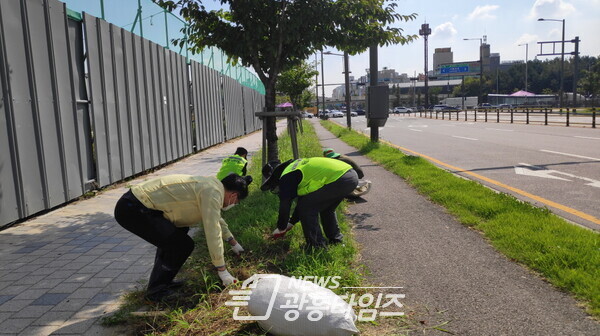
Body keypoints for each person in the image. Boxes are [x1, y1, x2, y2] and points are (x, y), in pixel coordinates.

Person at [113, 173, 252, 301]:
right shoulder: (213, 192)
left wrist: (233, 242)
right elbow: (213, 230)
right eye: (236, 202)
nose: (234, 204)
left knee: (176, 236)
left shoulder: (213, 186)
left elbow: (215, 218)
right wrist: (222, 270)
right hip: (133, 208)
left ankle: (163, 282)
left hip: (136, 205)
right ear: (234, 195)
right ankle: (156, 291)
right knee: (182, 245)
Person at [261, 157, 358, 248]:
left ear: (275, 175)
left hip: (339, 179)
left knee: (307, 208)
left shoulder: (285, 177)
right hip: (349, 176)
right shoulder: (295, 169)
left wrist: (281, 227)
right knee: (326, 209)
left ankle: (317, 246)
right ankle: (336, 240)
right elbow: (303, 201)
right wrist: (291, 222)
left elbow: (285, 205)